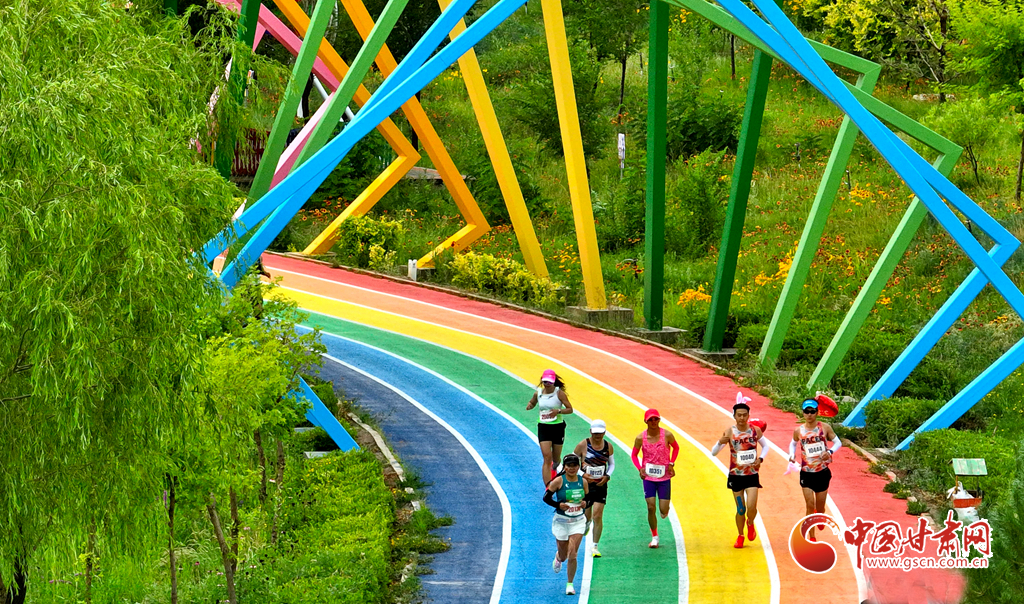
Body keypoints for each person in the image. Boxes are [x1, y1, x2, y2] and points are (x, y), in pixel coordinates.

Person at [711, 396, 769, 548]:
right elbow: (713, 453)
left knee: (751, 507)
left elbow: (766, 446)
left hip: (751, 475)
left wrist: (760, 459)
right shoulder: (730, 432)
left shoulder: (755, 431)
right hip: (736, 476)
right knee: (741, 509)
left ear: (748, 416)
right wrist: (720, 442)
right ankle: (740, 535)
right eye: (739, 415)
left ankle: (750, 523)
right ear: (734, 416)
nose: (742, 418)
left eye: (744, 415)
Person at [788, 398, 842, 540]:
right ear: (803, 413)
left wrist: (829, 452)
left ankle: (820, 514)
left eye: (812, 411)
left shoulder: (824, 428)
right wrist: (791, 455)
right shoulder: (798, 430)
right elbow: (793, 443)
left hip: (822, 473)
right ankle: (811, 536)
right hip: (807, 473)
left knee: (820, 506)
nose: (809, 414)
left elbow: (838, 442)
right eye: (807, 411)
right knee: (809, 505)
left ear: (817, 412)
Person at [631, 409, 679, 548]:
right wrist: (640, 468)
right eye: (650, 419)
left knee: (663, 511)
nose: (653, 422)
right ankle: (655, 536)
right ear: (645, 421)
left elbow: (676, 448)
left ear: (659, 420)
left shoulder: (667, 435)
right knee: (651, 507)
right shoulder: (640, 438)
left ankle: (665, 508)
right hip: (649, 477)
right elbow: (634, 455)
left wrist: (671, 463)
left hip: (664, 477)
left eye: (656, 419)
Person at [543, 453, 589, 595]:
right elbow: (546, 498)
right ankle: (558, 557)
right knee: (564, 556)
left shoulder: (583, 482)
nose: (572, 468)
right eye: (569, 466)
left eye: (574, 465)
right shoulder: (558, 481)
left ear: (578, 467)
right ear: (565, 467)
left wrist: (585, 503)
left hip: (578, 521)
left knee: (573, 554)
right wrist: (558, 505)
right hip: (561, 521)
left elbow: (589, 498)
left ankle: (570, 584)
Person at [573, 419, 615, 557]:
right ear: (591, 431)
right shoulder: (583, 445)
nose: (597, 435)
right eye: (595, 433)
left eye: (600, 433)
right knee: (587, 515)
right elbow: (571, 462)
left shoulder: (608, 446)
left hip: (600, 484)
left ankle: (595, 546)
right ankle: (586, 523)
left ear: (604, 432)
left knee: (598, 514)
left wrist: (607, 476)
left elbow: (612, 464)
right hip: (586, 485)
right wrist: (582, 474)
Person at [526, 369, 573, 485]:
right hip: (544, 427)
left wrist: (558, 411)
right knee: (547, 457)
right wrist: (530, 405)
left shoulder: (559, 393)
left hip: (557, 427)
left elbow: (570, 409)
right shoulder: (538, 393)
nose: (547, 384)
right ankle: (548, 486)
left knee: (555, 459)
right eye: (545, 382)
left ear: (553, 381)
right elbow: (532, 402)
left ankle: (555, 468)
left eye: (550, 382)